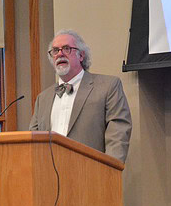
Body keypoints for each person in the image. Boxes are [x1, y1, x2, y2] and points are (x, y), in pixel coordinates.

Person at [29, 30, 132, 163]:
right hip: (50, 177)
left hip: (91, 174)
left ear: (81, 55)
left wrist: (110, 170)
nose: (60, 54)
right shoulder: (43, 98)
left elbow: (119, 133)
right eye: (55, 50)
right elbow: (33, 140)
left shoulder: (108, 86)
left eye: (66, 49)